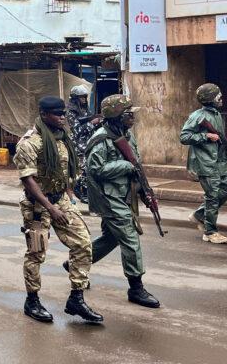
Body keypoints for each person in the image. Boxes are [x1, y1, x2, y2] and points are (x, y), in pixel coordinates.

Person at [15, 96, 102, 324]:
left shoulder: (62, 137)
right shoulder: (30, 142)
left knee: (82, 243)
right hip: (38, 205)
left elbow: (65, 169)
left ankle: (76, 298)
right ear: (44, 115)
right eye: (57, 113)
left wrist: (69, 193)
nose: (62, 117)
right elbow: (28, 180)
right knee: (36, 253)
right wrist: (50, 208)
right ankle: (32, 300)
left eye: (63, 113)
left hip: (61, 198)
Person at [83, 95, 161, 309]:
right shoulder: (101, 139)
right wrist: (124, 166)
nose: (133, 117)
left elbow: (135, 164)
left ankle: (76, 263)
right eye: (128, 114)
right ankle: (136, 288)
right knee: (130, 238)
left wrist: (145, 193)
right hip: (109, 198)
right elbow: (95, 170)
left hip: (124, 195)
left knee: (111, 239)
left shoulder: (126, 136)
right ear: (117, 116)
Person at [180, 83, 227, 245]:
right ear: (211, 99)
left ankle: (199, 215)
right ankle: (210, 231)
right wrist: (205, 136)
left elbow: (220, 139)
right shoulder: (197, 116)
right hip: (205, 163)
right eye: (218, 96)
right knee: (212, 197)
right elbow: (184, 137)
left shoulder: (217, 115)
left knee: (225, 190)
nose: (221, 99)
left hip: (220, 162)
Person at [66, 85, 101, 203]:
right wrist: (92, 123)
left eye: (85, 97)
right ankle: (82, 191)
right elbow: (77, 130)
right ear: (75, 98)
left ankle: (83, 190)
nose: (84, 100)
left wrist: (97, 120)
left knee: (91, 168)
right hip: (78, 145)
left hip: (90, 143)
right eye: (81, 98)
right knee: (85, 169)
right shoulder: (71, 112)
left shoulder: (85, 109)